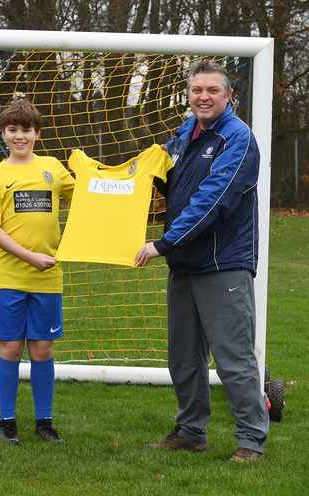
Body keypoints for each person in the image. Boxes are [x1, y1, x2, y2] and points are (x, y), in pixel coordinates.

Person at [134, 60, 268, 463]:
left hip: (223, 264)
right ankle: (191, 432)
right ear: (188, 94)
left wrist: (164, 243)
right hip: (184, 264)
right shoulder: (182, 136)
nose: (204, 97)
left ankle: (251, 441)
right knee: (184, 357)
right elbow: (165, 185)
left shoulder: (238, 139)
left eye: (213, 90)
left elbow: (213, 200)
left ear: (229, 96)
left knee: (234, 358)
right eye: (197, 90)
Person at [0, 99, 75, 444]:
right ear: (3, 134)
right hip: (9, 278)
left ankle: (44, 423)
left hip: (48, 277)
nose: (20, 136)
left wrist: (108, 176)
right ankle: (7, 423)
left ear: (38, 133)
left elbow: (88, 198)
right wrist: (29, 257)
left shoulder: (53, 168)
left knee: (43, 350)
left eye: (26, 130)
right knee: (10, 349)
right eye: (13, 130)